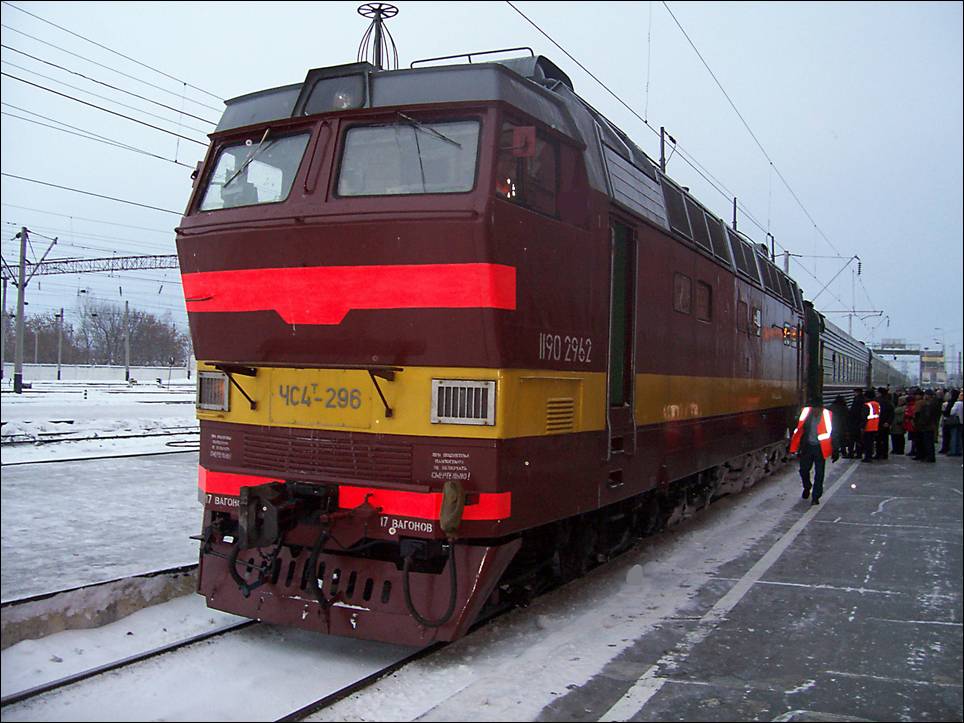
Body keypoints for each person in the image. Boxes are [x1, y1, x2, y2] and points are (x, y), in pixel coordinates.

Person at [789, 400, 837, 506]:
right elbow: (797, 427)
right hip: (807, 447)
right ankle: (807, 486)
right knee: (803, 470)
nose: (815, 411)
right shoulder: (805, 414)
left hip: (821, 449)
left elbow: (834, 433)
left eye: (817, 409)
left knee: (819, 473)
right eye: (813, 408)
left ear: (821, 408)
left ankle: (816, 496)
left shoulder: (828, 415)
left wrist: (835, 450)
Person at [862, 388, 880, 463]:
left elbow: (864, 417)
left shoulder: (867, 405)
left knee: (867, 443)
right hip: (875, 426)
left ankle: (867, 457)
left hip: (868, 426)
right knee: (871, 442)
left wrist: (862, 427)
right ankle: (870, 455)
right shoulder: (877, 404)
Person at [875, 387, 894, 460]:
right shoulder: (888, 401)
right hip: (885, 423)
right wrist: (888, 422)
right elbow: (891, 413)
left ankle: (879, 453)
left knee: (878, 439)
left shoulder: (877, 401)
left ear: (880, 393)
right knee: (885, 439)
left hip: (878, 422)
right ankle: (884, 454)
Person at [949, 393, 963, 457]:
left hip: (956, 421)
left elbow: (952, 412)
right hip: (962, 422)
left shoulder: (957, 403)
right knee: (960, 437)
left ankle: (953, 451)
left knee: (954, 436)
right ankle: (959, 450)